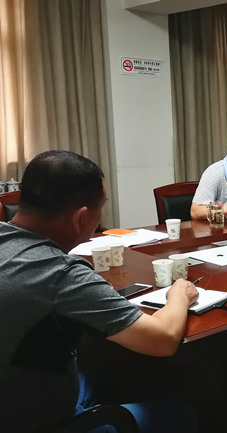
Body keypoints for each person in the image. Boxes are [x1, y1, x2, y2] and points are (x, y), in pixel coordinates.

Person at [0, 150, 199, 432]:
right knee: (183, 411)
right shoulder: (61, 273)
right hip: (36, 419)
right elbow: (163, 339)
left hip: (17, 394)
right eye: (100, 209)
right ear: (81, 218)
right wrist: (179, 294)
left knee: (108, 375)